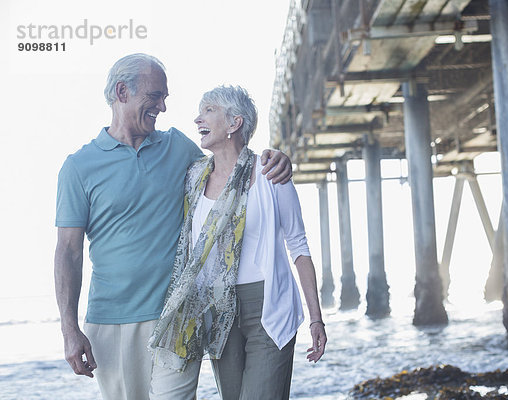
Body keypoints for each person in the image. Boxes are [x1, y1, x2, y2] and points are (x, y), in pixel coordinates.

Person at [54, 53, 293, 400]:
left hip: (180, 314)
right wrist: (69, 328)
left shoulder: (177, 147)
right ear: (122, 92)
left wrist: (274, 158)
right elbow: (68, 251)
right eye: (154, 96)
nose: (163, 107)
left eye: (165, 97)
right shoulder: (78, 167)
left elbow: (231, 164)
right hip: (112, 321)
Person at [147, 85, 327, 399]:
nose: (197, 119)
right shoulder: (194, 176)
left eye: (208, 110)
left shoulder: (271, 173)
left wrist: (316, 318)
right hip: (217, 308)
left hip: (269, 305)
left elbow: (298, 246)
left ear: (235, 123)